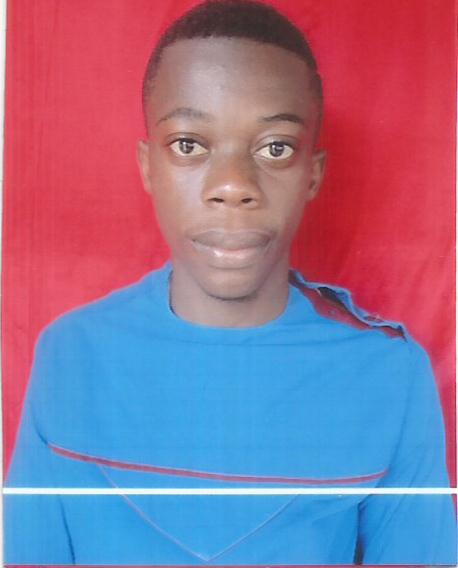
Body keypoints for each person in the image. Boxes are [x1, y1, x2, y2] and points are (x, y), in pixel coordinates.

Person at [5, 0, 456, 565]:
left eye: (275, 148)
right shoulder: (72, 355)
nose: (233, 185)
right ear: (148, 167)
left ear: (312, 174)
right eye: (188, 145)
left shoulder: (388, 374)